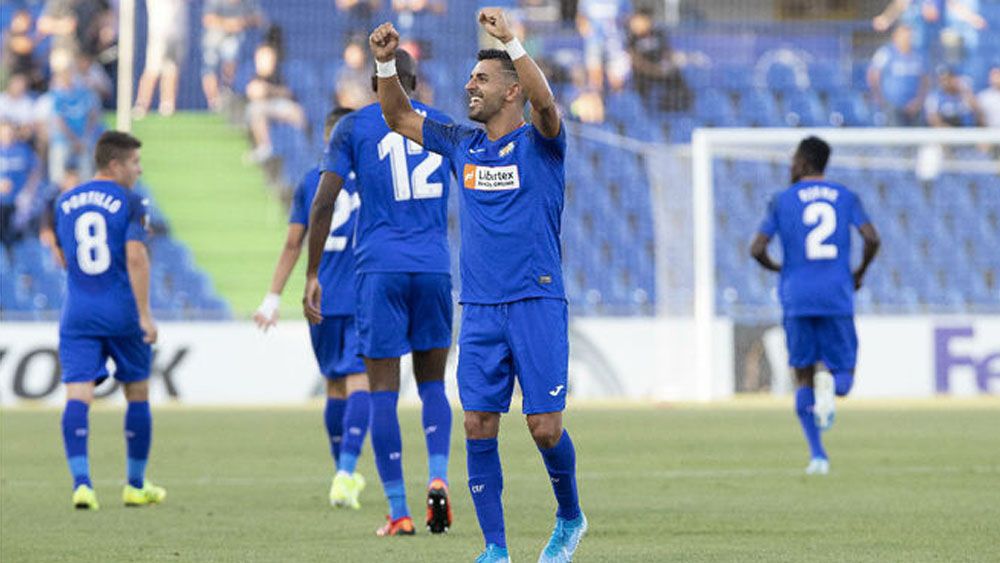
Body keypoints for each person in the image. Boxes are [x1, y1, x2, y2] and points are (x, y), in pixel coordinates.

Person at [369, 9, 585, 562]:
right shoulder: (463, 142)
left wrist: (512, 41)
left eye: (482, 79)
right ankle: (496, 549)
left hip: (537, 299)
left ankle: (569, 517)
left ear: (510, 91)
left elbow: (547, 104)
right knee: (478, 421)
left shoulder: (542, 141)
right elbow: (395, 115)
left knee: (543, 428)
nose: (470, 84)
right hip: (483, 307)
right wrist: (386, 61)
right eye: (470, 77)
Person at [304, 47, 455, 538]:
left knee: (383, 391)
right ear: (418, 83)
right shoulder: (444, 124)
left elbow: (325, 201)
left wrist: (312, 274)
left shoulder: (353, 128)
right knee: (433, 384)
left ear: (377, 83)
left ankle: (399, 510)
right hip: (433, 267)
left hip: (379, 269)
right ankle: (438, 475)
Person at [254, 108, 371, 509]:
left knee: (335, 385)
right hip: (362, 294)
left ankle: (343, 470)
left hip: (318, 295)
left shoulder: (309, 181)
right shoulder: (374, 177)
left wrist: (272, 298)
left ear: (326, 138)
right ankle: (345, 473)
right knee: (360, 383)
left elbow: (292, 243)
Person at [750, 136, 881, 477]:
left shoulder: (781, 200)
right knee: (844, 378)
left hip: (797, 296)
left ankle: (818, 456)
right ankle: (832, 390)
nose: (791, 165)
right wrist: (859, 272)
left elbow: (756, 249)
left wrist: (782, 269)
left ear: (806, 162)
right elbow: (872, 238)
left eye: (794, 159)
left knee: (803, 375)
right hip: (836, 294)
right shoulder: (846, 196)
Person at [53, 130, 164, 509]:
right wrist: (145, 315)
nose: (139, 169)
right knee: (137, 390)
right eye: (134, 162)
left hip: (78, 310)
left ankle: (82, 484)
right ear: (114, 165)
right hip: (121, 309)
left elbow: (62, 256)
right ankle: (134, 484)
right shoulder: (132, 201)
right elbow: (135, 257)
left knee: (78, 393)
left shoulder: (64, 202)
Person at [243, 41, 307, 163]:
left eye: (267, 57)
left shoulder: (283, 72)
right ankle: (264, 148)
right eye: (260, 58)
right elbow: (252, 93)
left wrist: (268, 90)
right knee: (255, 109)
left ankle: (302, 148)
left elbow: (289, 93)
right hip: (264, 108)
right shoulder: (253, 75)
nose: (263, 61)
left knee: (297, 112)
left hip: (286, 107)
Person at [201, 0, 263, 110]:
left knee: (230, 61)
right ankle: (213, 103)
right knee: (209, 69)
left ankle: (226, 96)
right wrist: (228, 24)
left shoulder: (247, 3)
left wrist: (242, 22)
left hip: (233, 39)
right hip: (213, 38)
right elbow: (207, 19)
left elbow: (259, 18)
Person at [134, 0, 189, 118]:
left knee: (171, 70)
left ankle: (167, 104)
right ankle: (142, 104)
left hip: (176, 34)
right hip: (159, 34)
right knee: (152, 70)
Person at [868, 24, 929, 126]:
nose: (907, 39)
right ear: (895, 37)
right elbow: (873, 76)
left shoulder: (919, 55)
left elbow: (925, 80)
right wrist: (880, 98)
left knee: (916, 138)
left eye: (909, 36)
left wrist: (919, 101)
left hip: (915, 106)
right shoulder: (885, 53)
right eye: (904, 36)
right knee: (895, 137)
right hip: (892, 105)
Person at [1, 119, 43, 253]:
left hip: (19, 202)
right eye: (4, 132)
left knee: (19, 237)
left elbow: (35, 171)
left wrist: (28, 192)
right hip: (2, 202)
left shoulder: (23, 150)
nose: (8, 136)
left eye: (10, 132)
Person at [976, 62, 1000, 127]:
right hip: (989, 132)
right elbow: (979, 117)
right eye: (994, 75)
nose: (996, 78)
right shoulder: (983, 96)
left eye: (998, 75)